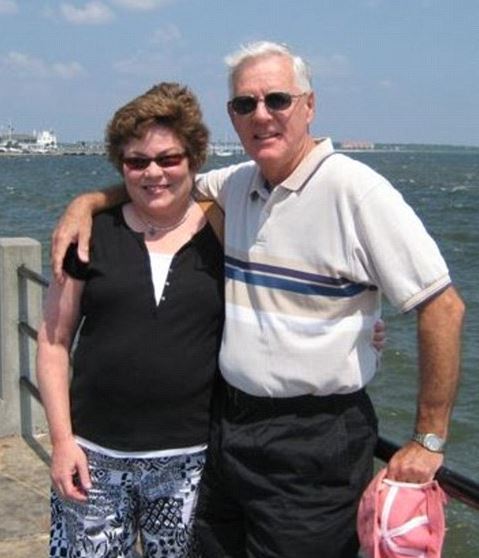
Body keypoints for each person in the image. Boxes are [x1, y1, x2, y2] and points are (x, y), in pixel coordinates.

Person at [49, 40, 462, 558]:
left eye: (277, 100)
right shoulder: (239, 184)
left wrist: (428, 440)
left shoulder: (357, 192)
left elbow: (442, 307)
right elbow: (163, 181)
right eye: (245, 104)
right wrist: (84, 203)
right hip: (228, 431)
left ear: (308, 105)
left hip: (313, 440)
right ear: (232, 116)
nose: (261, 115)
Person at [36, 82, 225, 558]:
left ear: (194, 159)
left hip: (192, 463)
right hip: (93, 457)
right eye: (137, 161)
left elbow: (283, 287)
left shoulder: (226, 230)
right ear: (121, 166)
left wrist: (352, 326)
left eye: (168, 159)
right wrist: (61, 442)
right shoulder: (88, 233)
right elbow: (54, 341)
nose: (153, 172)